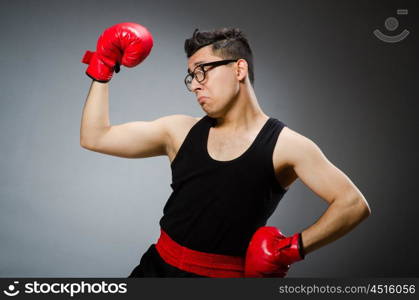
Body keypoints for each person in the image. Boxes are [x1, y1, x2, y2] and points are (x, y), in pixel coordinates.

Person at [80, 23, 371, 278]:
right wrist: (103, 67)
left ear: (239, 68)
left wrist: (291, 249)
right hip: (155, 271)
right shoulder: (179, 131)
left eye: (202, 71)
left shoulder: (287, 145)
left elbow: (353, 204)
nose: (195, 85)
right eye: (190, 76)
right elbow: (96, 137)